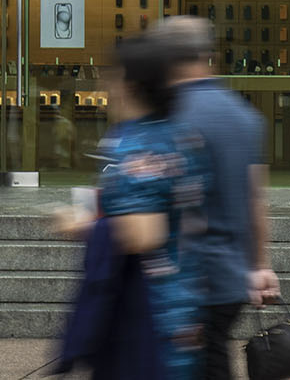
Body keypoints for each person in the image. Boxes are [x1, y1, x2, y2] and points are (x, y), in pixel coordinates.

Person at [52, 35, 209, 379]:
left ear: (131, 84)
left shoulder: (137, 146)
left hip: (146, 315)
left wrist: (78, 226)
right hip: (183, 301)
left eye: (111, 75)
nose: (103, 84)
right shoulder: (180, 134)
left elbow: (143, 233)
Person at [147, 16, 279, 380]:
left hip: (185, 275)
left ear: (165, 60)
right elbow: (256, 199)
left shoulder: (167, 117)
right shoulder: (244, 115)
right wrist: (260, 265)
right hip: (231, 275)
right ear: (208, 55)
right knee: (213, 357)